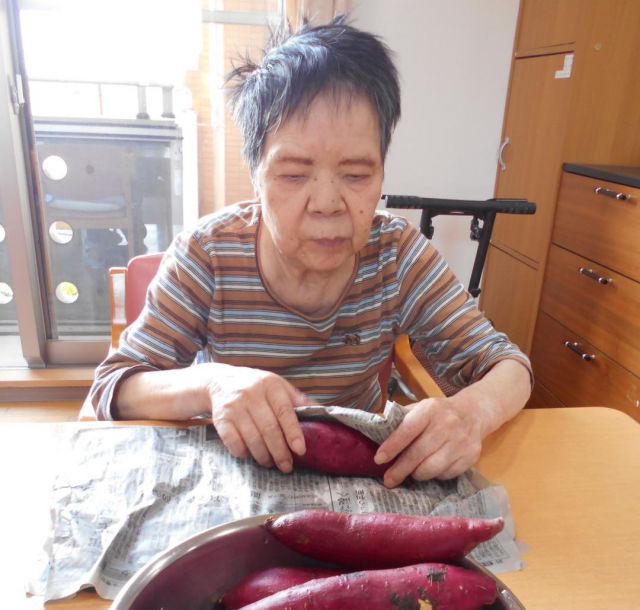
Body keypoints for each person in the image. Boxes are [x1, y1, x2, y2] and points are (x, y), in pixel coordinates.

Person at [89, 17, 532, 489]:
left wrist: (469, 413)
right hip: (239, 475)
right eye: (295, 175)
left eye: (357, 175)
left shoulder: (396, 256)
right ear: (256, 175)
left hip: (357, 481)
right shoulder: (209, 254)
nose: (327, 204)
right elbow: (114, 387)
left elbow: (509, 368)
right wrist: (213, 383)